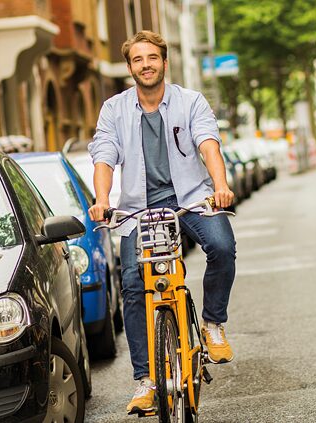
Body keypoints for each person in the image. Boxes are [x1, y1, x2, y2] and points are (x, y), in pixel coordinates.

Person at [87, 30, 237, 415]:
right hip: (139, 207)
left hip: (190, 200)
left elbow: (208, 144)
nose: (146, 65)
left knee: (222, 245)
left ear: (164, 62)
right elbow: (103, 155)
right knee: (134, 285)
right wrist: (103, 200)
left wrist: (219, 186)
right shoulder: (114, 110)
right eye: (138, 60)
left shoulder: (190, 102)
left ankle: (213, 323)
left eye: (152, 58)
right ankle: (146, 381)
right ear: (130, 67)